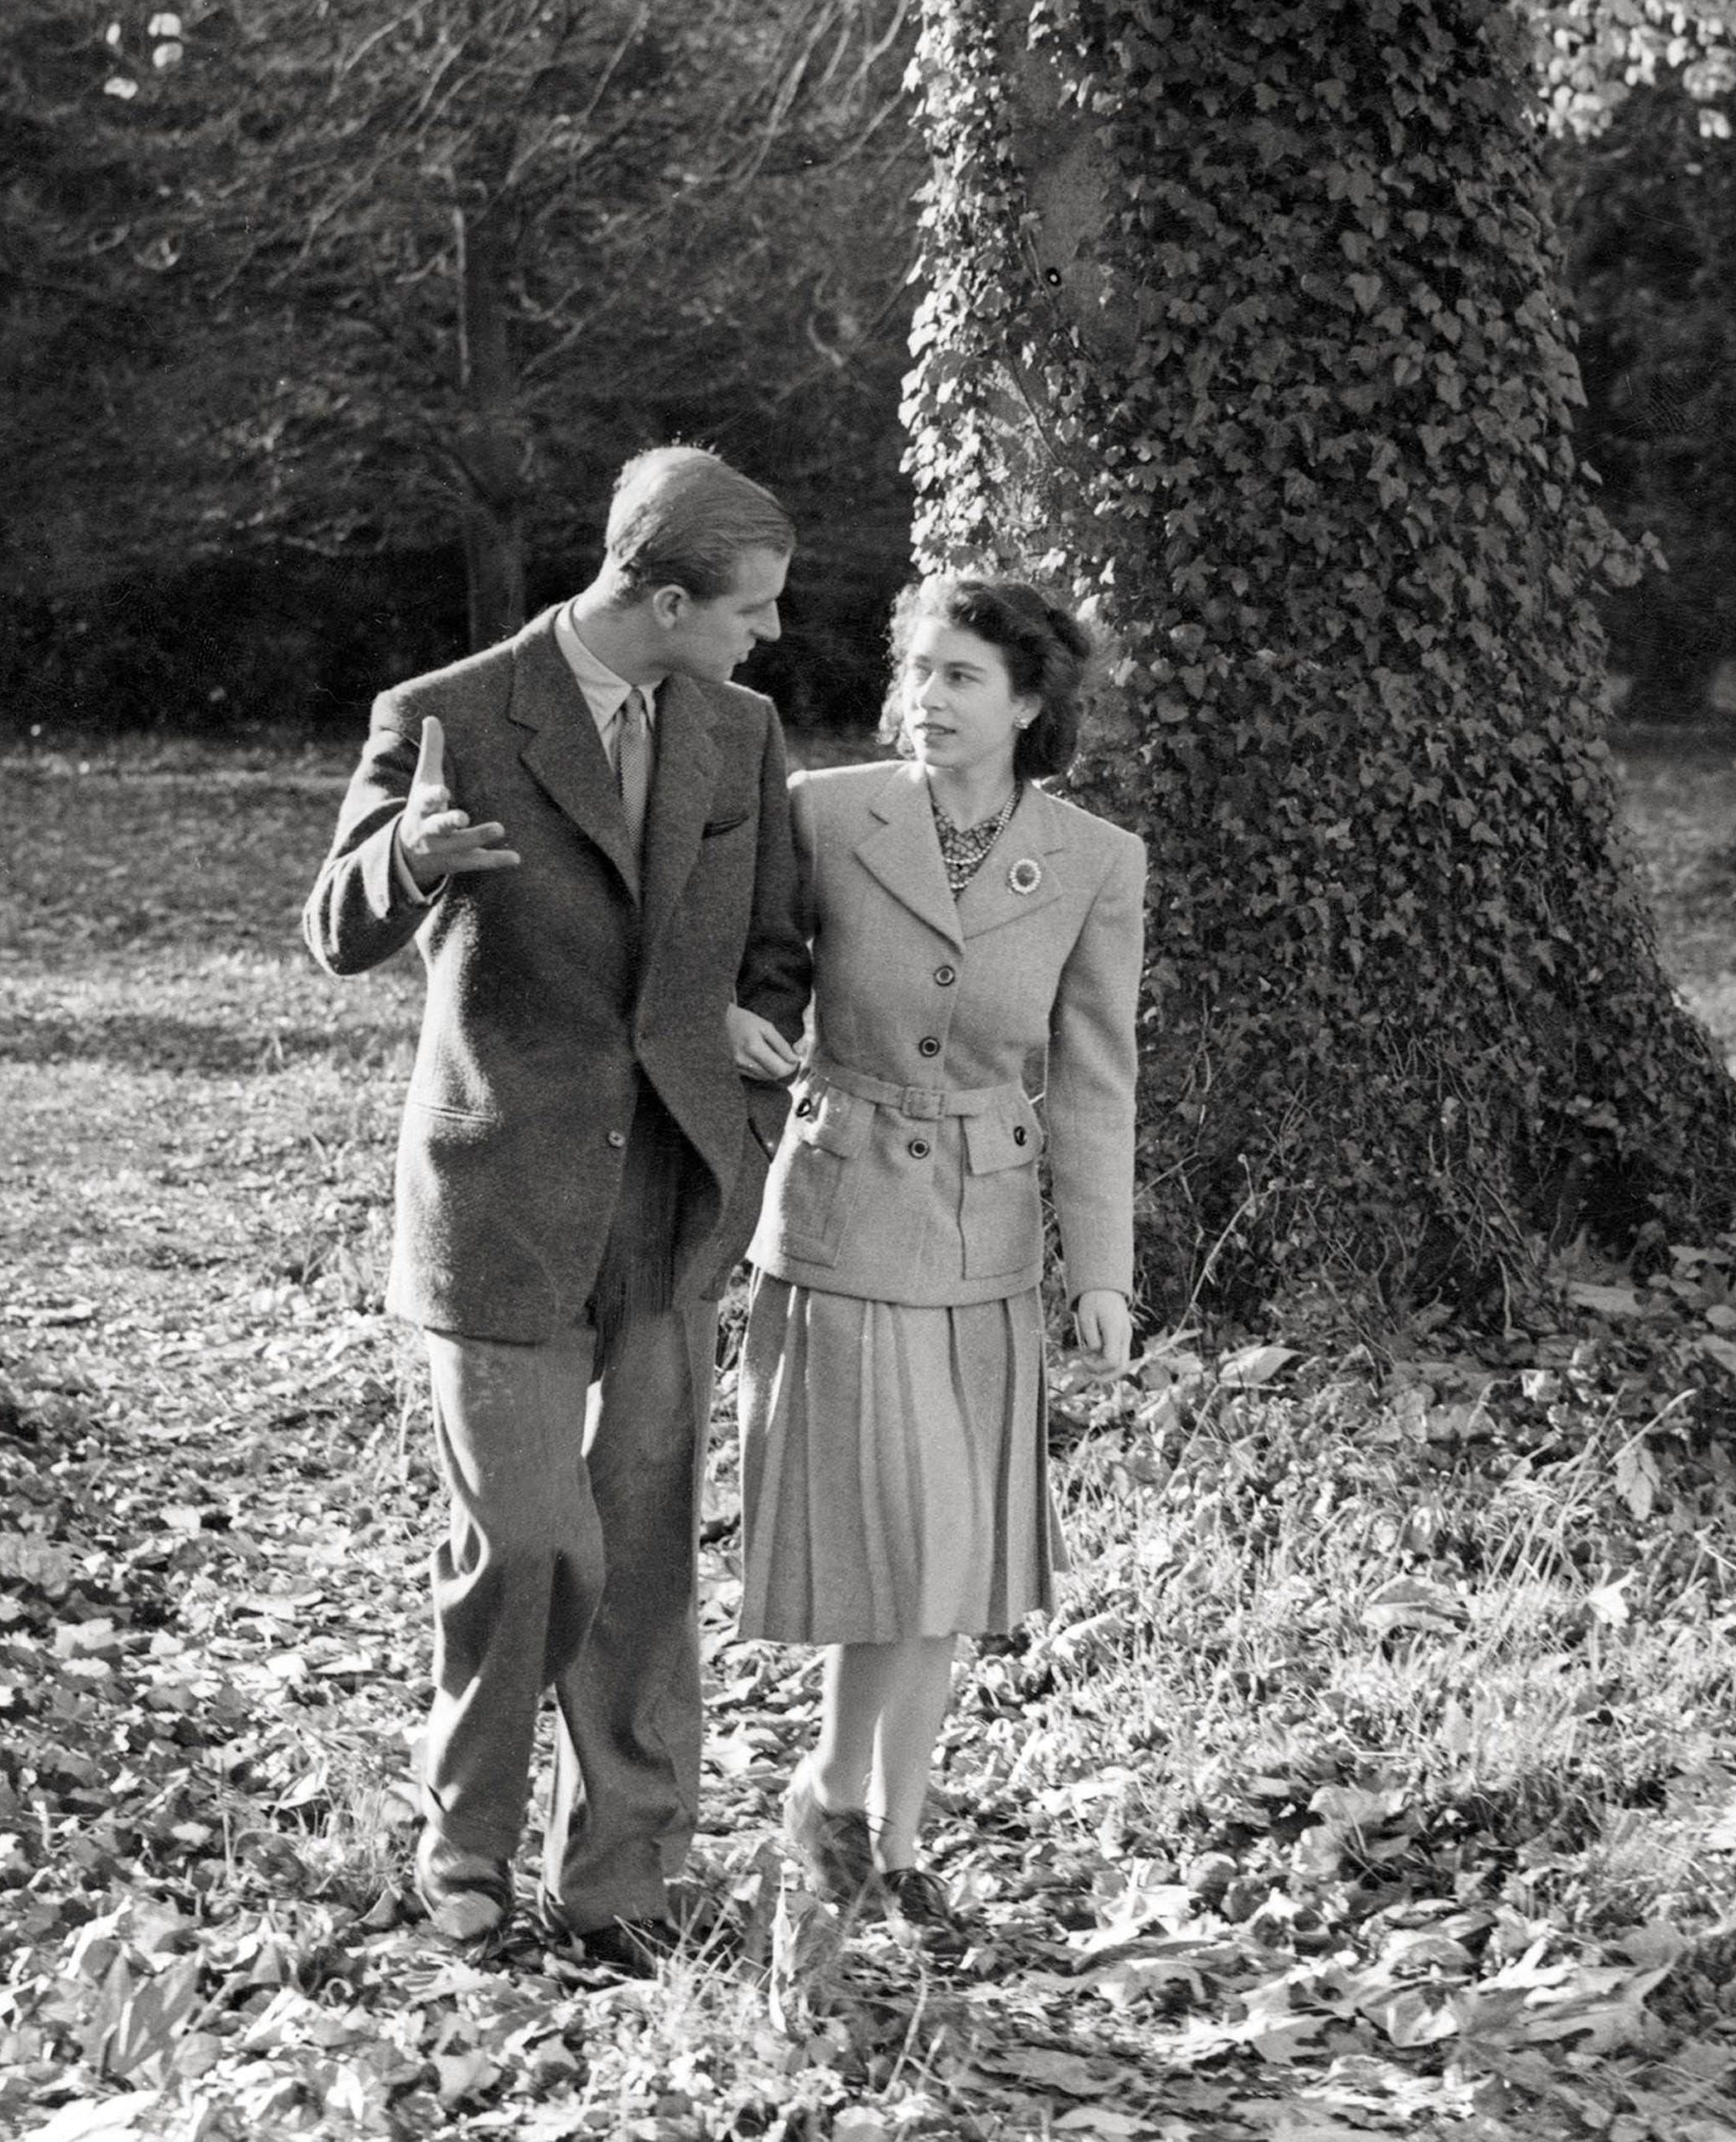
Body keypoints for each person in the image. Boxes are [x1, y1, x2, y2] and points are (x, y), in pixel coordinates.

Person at [303, 446, 808, 1963]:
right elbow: (334, 929)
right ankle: (464, 1838)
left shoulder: (742, 730)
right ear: (661, 598)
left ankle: (624, 1870)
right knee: (530, 1537)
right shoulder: (446, 713)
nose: (769, 636)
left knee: (645, 1547)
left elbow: (769, 946)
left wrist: (743, 1049)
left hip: (667, 1197)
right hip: (500, 1197)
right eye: (751, 610)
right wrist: (406, 856)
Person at [729, 573, 1144, 1932]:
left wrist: (1100, 1270)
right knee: (896, 1542)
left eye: (961, 675)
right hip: (846, 1207)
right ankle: (836, 1797)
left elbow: (1092, 1077)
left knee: (950, 1561)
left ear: (1030, 704)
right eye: (915, 670)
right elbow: (753, 974)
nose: (926, 699)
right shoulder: (827, 812)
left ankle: (892, 1840)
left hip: (987, 1232)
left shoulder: (1093, 860)